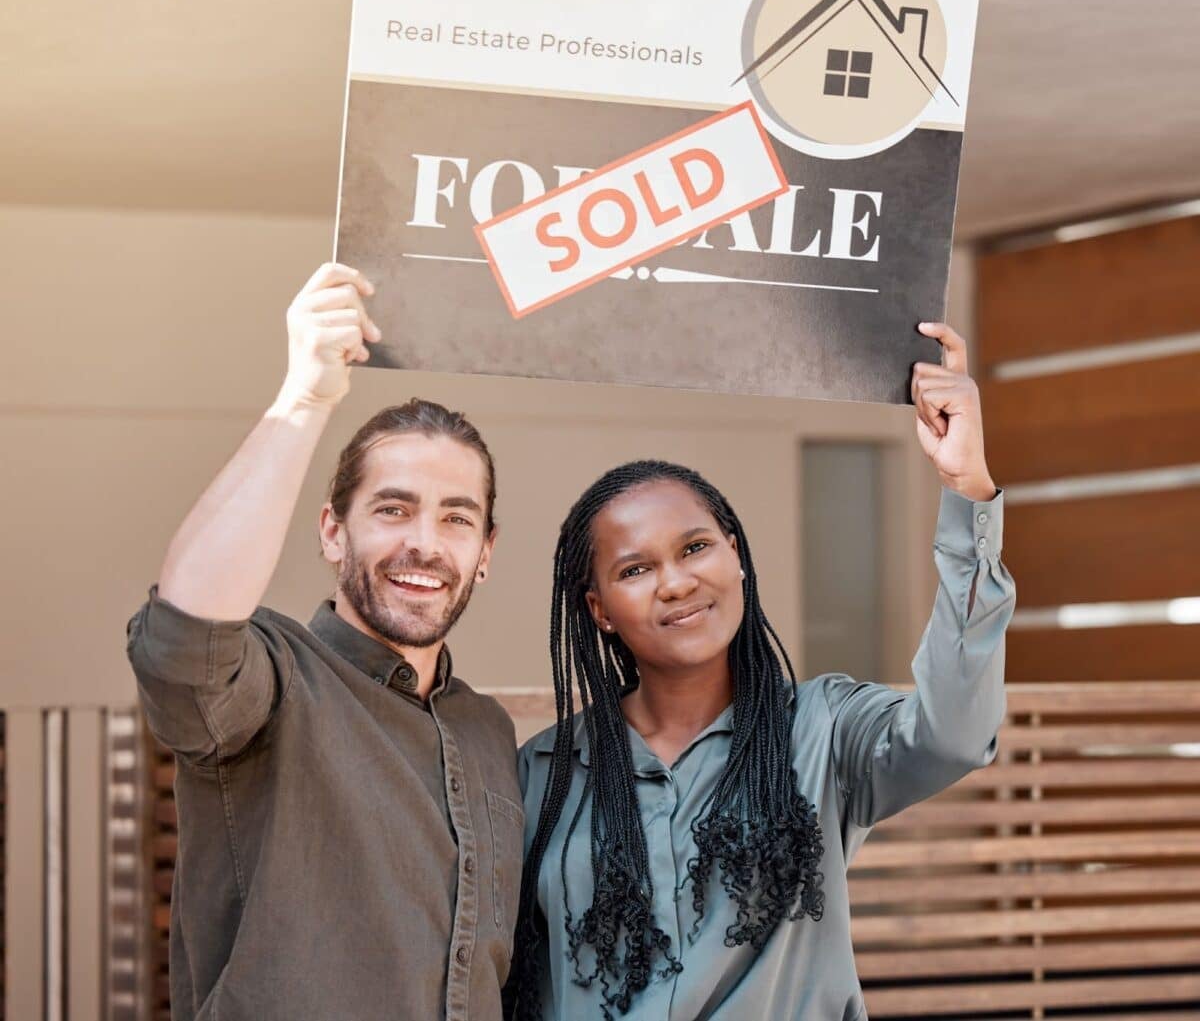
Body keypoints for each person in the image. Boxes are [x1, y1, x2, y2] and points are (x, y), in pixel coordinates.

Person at [507, 323, 1015, 1021]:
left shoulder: (824, 731)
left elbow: (957, 734)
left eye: (695, 547)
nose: (677, 582)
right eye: (636, 568)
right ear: (598, 608)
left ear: (736, 555)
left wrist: (967, 490)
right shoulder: (545, 772)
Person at [126, 262, 523, 1021]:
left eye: (456, 518)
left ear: (487, 550)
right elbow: (183, 641)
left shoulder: (488, 731)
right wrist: (303, 397)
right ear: (333, 530)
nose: (424, 544)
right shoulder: (272, 678)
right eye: (393, 509)